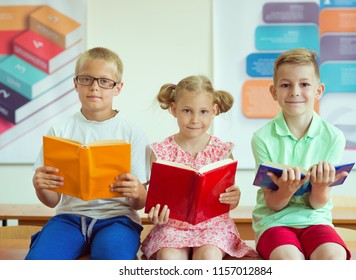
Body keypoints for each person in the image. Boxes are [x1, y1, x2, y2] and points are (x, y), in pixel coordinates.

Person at [25, 47, 150, 260]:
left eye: (104, 81)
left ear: (118, 88)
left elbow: (139, 203)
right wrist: (40, 185)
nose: (94, 87)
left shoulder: (132, 133)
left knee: (113, 259)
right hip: (68, 219)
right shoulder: (59, 130)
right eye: (86, 79)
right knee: (38, 262)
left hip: (118, 219)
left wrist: (138, 192)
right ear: (76, 83)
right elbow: (52, 200)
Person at [141, 75, 258, 260]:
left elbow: (228, 201)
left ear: (214, 111)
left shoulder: (223, 151)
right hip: (172, 227)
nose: (195, 119)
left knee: (209, 256)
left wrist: (235, 197)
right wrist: (156, 214)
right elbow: (157, 199)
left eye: (203, 112)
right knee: (168, 258)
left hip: (213, 227)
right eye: (187, 111)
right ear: (174, 110)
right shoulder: (161, 151)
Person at [251, 48, 352, 260]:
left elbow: (318, 203)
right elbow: (273, 204)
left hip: (316, 220)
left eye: (304, 84)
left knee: (334, 256)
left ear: (318, 90)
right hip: (274, 222)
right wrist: (286, 190)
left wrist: (321, 186)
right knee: (288, 259)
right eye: (286, 85)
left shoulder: (334, 137)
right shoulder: (262, 138)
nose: (295, 92)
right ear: (274, 92)